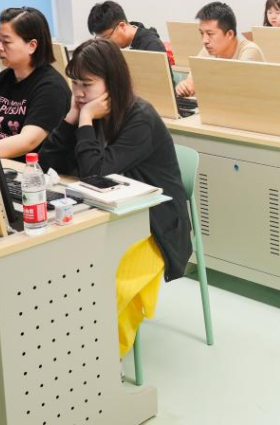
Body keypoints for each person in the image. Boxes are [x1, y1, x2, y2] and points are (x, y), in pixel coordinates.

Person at [39, 38, 192, 356]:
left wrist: (85, 118)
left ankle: (106, 359)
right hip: (110, 213)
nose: (79, 92)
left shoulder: (140, 118)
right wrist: (72, 116)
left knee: (107, 285)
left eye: (87, 84)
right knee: (64, 269)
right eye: (74, 83)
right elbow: (47, 163)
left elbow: (94, 172)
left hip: (155, 224)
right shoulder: (88, 110)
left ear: (113, 83)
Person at [0, 7, 71, 160]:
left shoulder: (52, 89)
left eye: (6, 41)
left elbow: (27, 142)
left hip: (31, 170)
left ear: (31, 46)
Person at [175, 2, 265, 97]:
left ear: (229, 34)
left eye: (210, 34)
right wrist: (185, 87)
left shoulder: (250, 51)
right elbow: (192, 81)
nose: (204, 40)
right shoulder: (208, 50)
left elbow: (238, 92)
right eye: (202, 33)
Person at [87, 1, 166, 53]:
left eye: (107, 37)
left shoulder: (152, 46)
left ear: (122, 26)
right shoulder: (114, 47)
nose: (106, 44)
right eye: (101, 39)